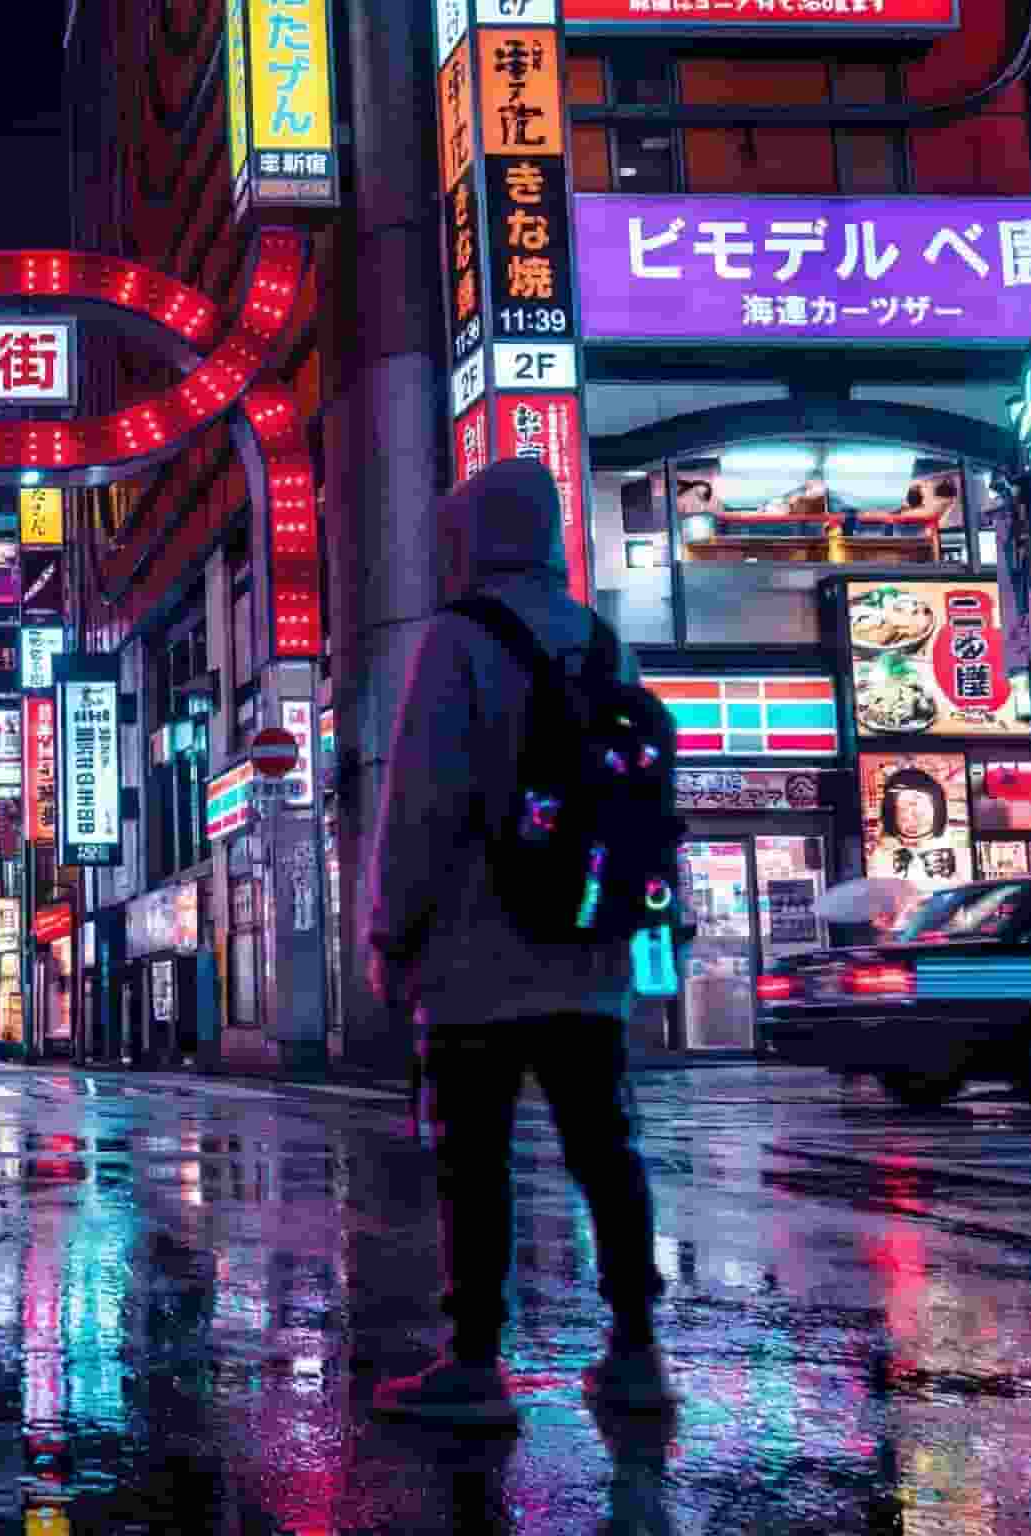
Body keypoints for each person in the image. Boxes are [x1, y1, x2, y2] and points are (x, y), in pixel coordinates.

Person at [364, 456, 678, 1427]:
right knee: (604, 1148)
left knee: (476, 1159)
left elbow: (420, 804)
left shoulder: (457, 639)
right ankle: (635, 1350)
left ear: (468, 538)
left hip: (477, 959)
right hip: (587, 952)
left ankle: (473, 1361)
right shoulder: (601, 641)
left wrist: (390, 932)